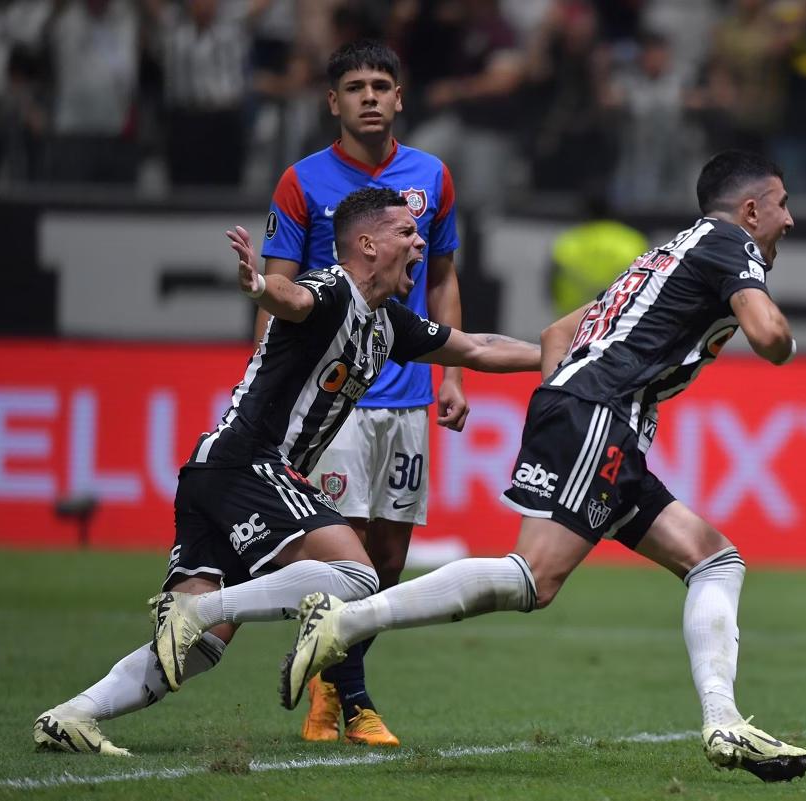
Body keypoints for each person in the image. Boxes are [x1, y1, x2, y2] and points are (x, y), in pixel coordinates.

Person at [279, 151, 806, 783]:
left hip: (594, 416)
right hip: (600, 414)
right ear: (751, 209)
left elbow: (561, 330)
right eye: (782, 205)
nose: (789, 219)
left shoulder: (673, 250)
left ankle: (724, 720)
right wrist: (589, 399)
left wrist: (569, 393)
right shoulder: (730, 241)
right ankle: (344, 620)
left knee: (714, 559)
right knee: (533, 579)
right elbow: (771, 336)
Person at [31, 188, 540, 756]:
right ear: (368, 245)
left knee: (199, 647)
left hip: (215, 472)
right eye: (406, 233)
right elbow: (292, 299)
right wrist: (256, 287)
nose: (420, 242)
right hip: (250, 462)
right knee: (357, 575)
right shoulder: (331, 288)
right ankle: (198, 608)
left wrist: (558, 356)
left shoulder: (387, 322)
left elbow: (477, 348)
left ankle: (73, 714)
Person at [256, 40, 466, 746]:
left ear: (400, 98)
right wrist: (263, 380)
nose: (369, 95)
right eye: (355, 86)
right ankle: (350, 699)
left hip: (407, 393)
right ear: (333, 102)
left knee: (388, 561)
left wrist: (455, 374)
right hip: (331, 394)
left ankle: (330, 679)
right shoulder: (302, 181)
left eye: (381, 84)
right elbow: (279, 286)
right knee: (339, 555)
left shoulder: (432, 176)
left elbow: (440, 278)